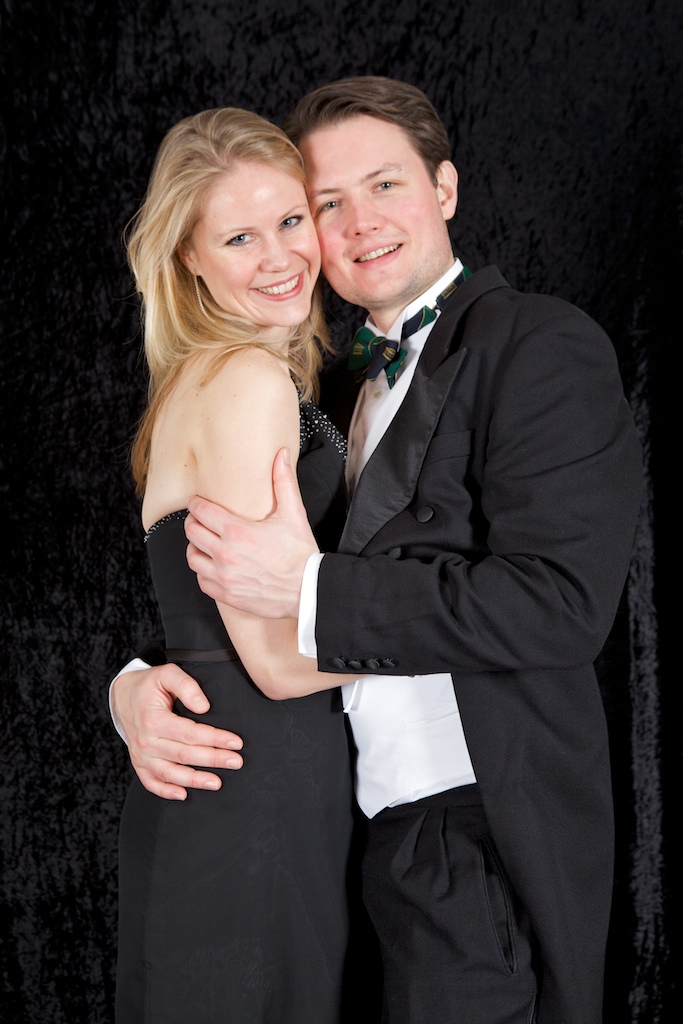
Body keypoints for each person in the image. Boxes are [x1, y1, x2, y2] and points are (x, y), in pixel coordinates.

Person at [112, 79, 643, 1023]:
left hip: (472, 829)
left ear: (444, 188)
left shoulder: (538, 343)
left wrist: (313, 591)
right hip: (348, 839)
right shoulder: (323, 383)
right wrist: (133, 683)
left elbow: (559, 605)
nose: (357, 224)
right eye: (326, 203)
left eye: (385, 185)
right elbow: (220, 586)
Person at [114, 106, 375, 1024]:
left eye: (290, 220)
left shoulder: (218, 377)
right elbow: (276, 660)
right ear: (187, 256)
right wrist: (472, 628)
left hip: (248, 778)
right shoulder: (245, 381)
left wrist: (127, 682)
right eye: (238, 237)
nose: (279, 257)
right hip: (250, 784)